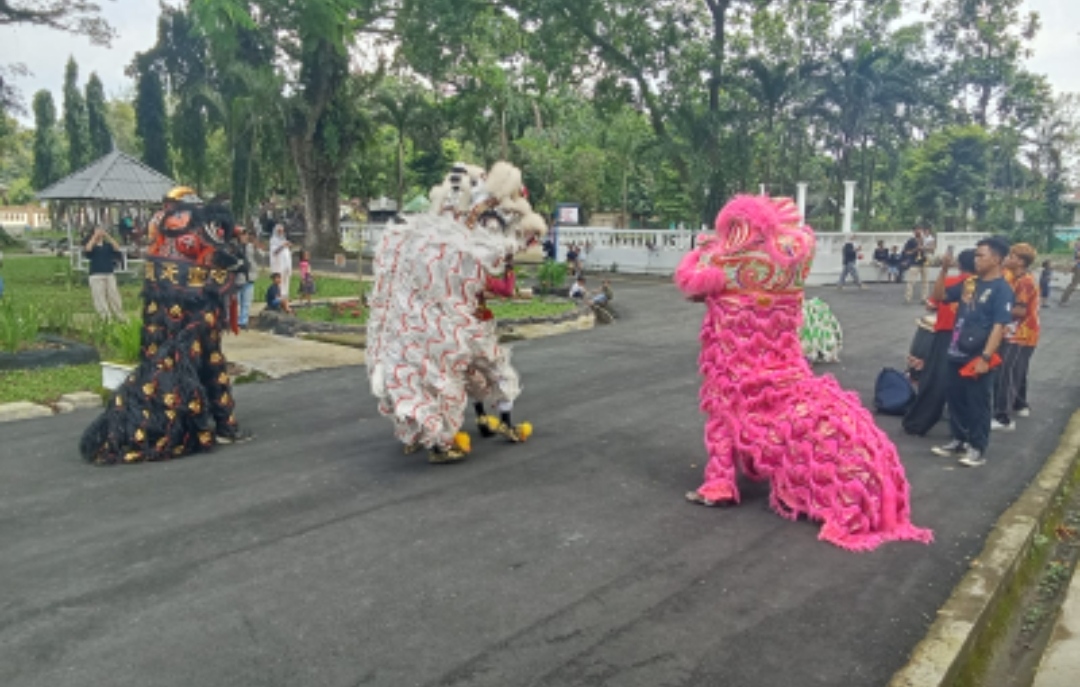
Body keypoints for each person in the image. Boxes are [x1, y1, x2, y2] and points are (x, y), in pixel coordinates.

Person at [367, 160, 545, 464]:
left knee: (479, 370)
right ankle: (437, 439)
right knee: (449, 374)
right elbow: (494, 273)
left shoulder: (444, 234)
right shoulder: (447, 239)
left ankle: (435, 432)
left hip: (455, 318)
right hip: (446, 320)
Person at [80, 187, 252, 465]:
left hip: (159, 310)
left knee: (159, 361)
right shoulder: (202, 226)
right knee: (210, 363)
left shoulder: (157, 223)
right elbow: (218, 258)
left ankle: (203, 419)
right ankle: (223, 426)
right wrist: (235, 261)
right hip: (195, 308)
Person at [930, 236, 1014, 467]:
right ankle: (959, 439)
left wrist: (986, 357)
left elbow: (1000, 325)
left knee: (978, 403)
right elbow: (939, 297)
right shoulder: (970, 283)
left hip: (978, 355)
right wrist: (944, 269)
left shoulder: (1001, 290)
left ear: (996, 259)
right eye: (975, 255)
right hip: (956, 350)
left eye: (981, 255)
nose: (976, 259)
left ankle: (977, 446)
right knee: (955, 398)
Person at [903, 248, 976, 436]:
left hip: (946, 335)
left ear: (959, 264)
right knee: (966, 382)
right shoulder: (982, 286)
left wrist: (943, 270)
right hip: (972, 337)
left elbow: (932, 303)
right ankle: (963, 428)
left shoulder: (951, 282)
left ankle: (918, 422)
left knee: (935, 380)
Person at [992, 243, 1039, 431]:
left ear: (1020, 261)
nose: (1008, 259)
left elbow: (1019, 310)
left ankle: (1003, 417)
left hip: (1020, 334)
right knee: (1018, 369)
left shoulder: (1025, 282)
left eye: (1011, 256)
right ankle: (1020, 404)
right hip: (1020, 333)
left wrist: (997, 313)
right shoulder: (1018, 278)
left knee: (1008, 372)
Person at [83, 226, 126, 320]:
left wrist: (107, 235)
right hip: (96, 274)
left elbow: (117, 247)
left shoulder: (108, 245)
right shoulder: (92, 244)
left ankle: (120, 315)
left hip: (109, 273)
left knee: (114, 295)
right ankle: (105, 317)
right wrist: (95, 236)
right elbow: (87, 249)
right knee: (99, 297)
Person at [235, 228, 257, 329]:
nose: (244, 237)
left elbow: (260, 255)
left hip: (250, 276)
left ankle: (243, 322)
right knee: (236, 302)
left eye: (245, 234)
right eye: (242, 235)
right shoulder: (233, 247)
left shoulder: (250, 247)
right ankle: (234, 321)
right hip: (238, 278)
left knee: (247, 302)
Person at [903, 228, 928, 304]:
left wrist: (924, 248)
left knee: (925, 282)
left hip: (924, 263)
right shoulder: (911, 241)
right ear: (914, 232)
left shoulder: (925, 240)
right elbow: (906, 252)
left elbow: (932, 249)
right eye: (917, 230)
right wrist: (915, 249)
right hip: (914, 263)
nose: (919, 231)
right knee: (911, 281)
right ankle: (908, 298)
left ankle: (924, 298)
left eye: (920, 230)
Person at [269, 224, 293, 299]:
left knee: (286, 280)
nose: (281, 232)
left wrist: (288, 245)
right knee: (279, 280)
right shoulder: (273, 240)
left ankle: (285, 296)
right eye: (279, 231)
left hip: (286, 265)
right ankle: (280, 297)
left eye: (282, 231)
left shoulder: (283, 239)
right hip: (279, 265)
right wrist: (282, 246)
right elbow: (274, 252)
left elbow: (287, 251)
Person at [1059, 238, 1080, 305]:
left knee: (1073, 284)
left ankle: (1064, 299)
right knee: (1073, 284)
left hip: (1077, 267)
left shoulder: (1077, 246)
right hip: (1078, 268)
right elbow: (1077, 257)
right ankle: (1063, 300)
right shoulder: (1078, 247)